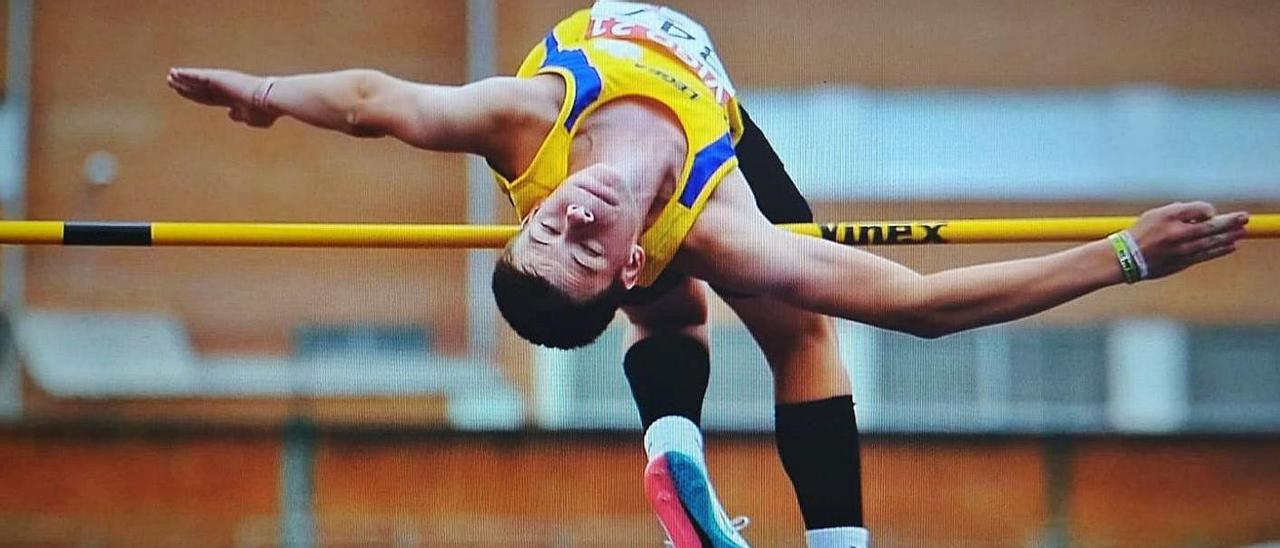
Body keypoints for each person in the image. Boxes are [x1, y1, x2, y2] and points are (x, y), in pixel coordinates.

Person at [167, 2, 1250, 546]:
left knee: (675, 314)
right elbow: (920, 308)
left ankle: (671, 437)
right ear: (621, 257)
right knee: (800, 331)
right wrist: (1121, 256)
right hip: (711, 133)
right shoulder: (726, 230)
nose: (569, 218)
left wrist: (268, 90)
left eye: (542, 226)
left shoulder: (523, 126)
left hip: (633, 92)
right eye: (580, 245)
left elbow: (373, 100)